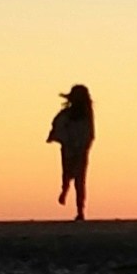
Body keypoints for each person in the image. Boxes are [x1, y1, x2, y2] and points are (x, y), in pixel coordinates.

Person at [47, 84, 95, 219]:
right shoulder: (66, 114)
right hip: (69, 149)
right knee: (68, 175)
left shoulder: (86, 116)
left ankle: (80, 210)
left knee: (79, 180)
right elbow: (57, 125)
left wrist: (83, 146)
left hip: (79, 151)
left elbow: (89, 134)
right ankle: (65, 189)